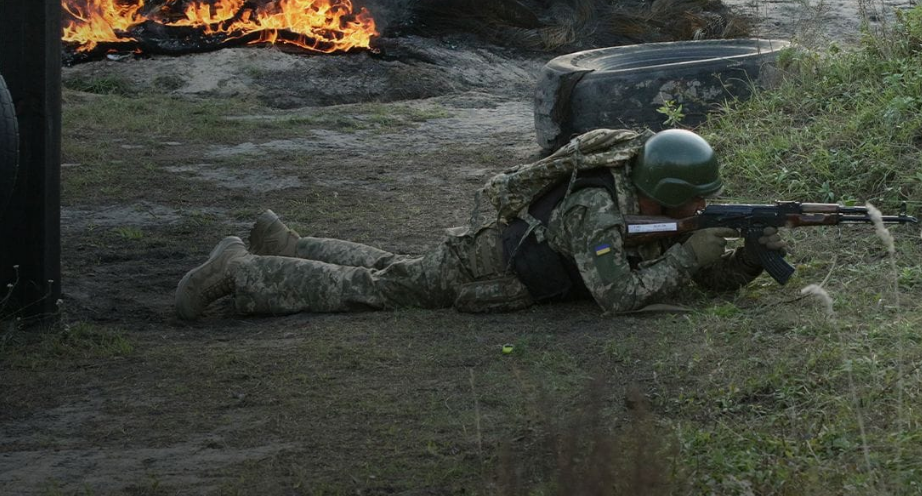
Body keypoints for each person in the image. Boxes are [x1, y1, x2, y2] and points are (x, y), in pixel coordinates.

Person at [174, 129, 786, 320]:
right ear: (666, 195)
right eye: (694, 207)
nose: (702, 214)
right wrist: (689, 254)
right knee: (380, 288)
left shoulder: (646, 200)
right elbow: (619, 298)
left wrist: (748, 258)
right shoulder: (598, 209)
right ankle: (241, 272)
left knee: (393, 267)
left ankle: (289, 244)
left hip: (505, 252)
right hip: (487, 260)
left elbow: (701, 280)